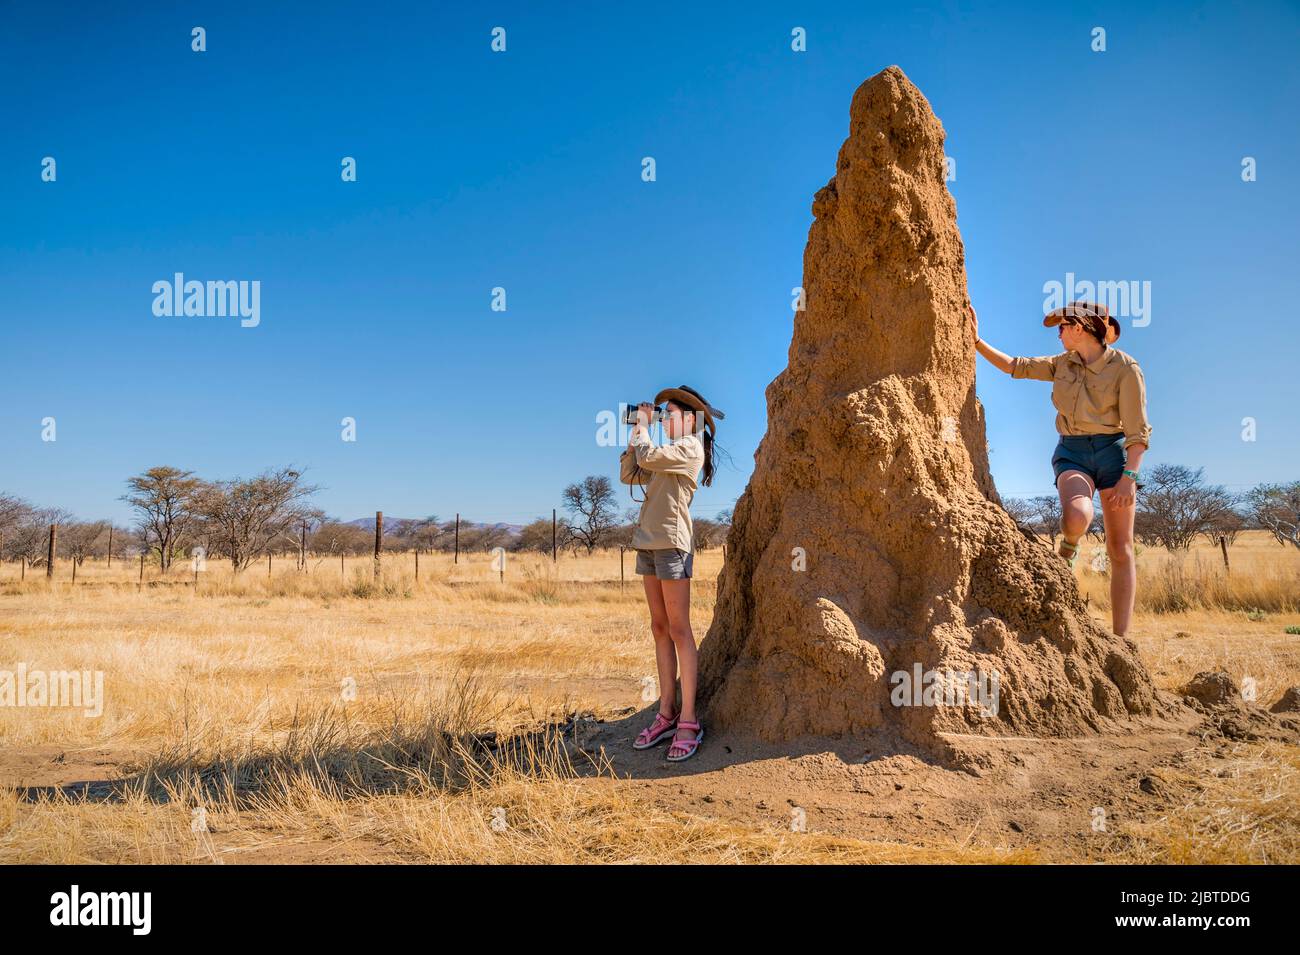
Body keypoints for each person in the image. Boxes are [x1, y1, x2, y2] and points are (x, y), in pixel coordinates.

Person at [970, 301, 1151, 637]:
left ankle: (1121, 639)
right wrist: (977, 341)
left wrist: (1130, 476)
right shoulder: (1062, 364)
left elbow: (1138, 432)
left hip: (1113, 454)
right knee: (1078, 517)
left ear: (1080, 328)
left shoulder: (1126, 368)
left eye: (1062, 328)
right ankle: (1068, 547)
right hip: (1073, 451)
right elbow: (1015, 366)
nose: (1059, 334)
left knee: (1120, 549)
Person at [619, 385, 723, 762]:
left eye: (670, 414)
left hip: (674, 544)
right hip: (648, 543)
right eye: (661, 415)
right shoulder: (662, 453)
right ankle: (666, 713)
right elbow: (630, 473)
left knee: (680, 630)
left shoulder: (689, 448)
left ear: (690, 419)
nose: (664, 420)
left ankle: (689, 721)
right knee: (659, 628)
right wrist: (636, 434)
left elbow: (648, 456)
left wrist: (643, 428)